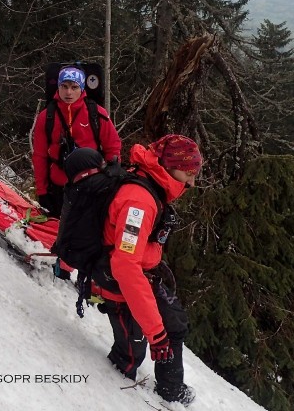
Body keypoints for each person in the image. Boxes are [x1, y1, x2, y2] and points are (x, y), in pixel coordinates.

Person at [93, 134, 202, 406]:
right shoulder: (139, 202)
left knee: (174, 324)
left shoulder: (151, 184)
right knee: (130, 355)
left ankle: (171, 390)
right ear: (168, 165)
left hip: (140, 276)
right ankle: (103, 390)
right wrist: (156, 334)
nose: (191, 182)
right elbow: (125, 265)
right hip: (119, 284)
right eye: (187, 173)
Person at [32, 65, 122, 217]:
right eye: (64, 86)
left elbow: (113, 147)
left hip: (91, 187)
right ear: (58, 87)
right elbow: (40, 156)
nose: (68, 92)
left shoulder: (96, 113)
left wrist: (111, 180)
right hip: (58, 189)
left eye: (74, 87)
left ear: (81, 89)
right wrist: (42, 191)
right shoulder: (46, 116)